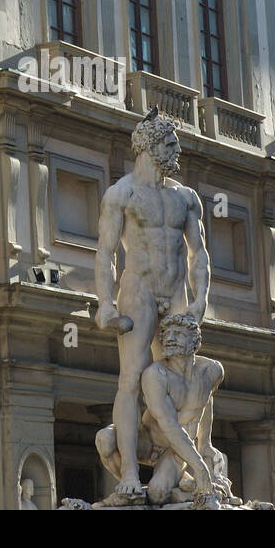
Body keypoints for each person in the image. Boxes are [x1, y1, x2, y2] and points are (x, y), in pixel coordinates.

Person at [93, 108, 210, 503]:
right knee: (130, 380)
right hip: (139, 290)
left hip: (176, 291)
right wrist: (105, 304)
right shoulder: (121, 194)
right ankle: (128, 470)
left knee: (185, 377)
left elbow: (199, 254)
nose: (176, 148)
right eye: (168, 142)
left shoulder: (186, 198)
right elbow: (107, 252)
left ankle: (184, 464)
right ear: (147, 145)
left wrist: (201, 301)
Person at [95, 314, 224, 509]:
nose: (170, 338)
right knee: (105, 439)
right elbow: (169, 425)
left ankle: (179, 485)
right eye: (166, 334)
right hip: (147, 441)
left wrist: (205, 442)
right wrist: (200, 467)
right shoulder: (156, 375)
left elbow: (206, 401)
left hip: (175, 450)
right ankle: (132, 489)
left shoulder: (212, 371)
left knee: (157, 494)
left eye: (178, 334)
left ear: (195, 341)